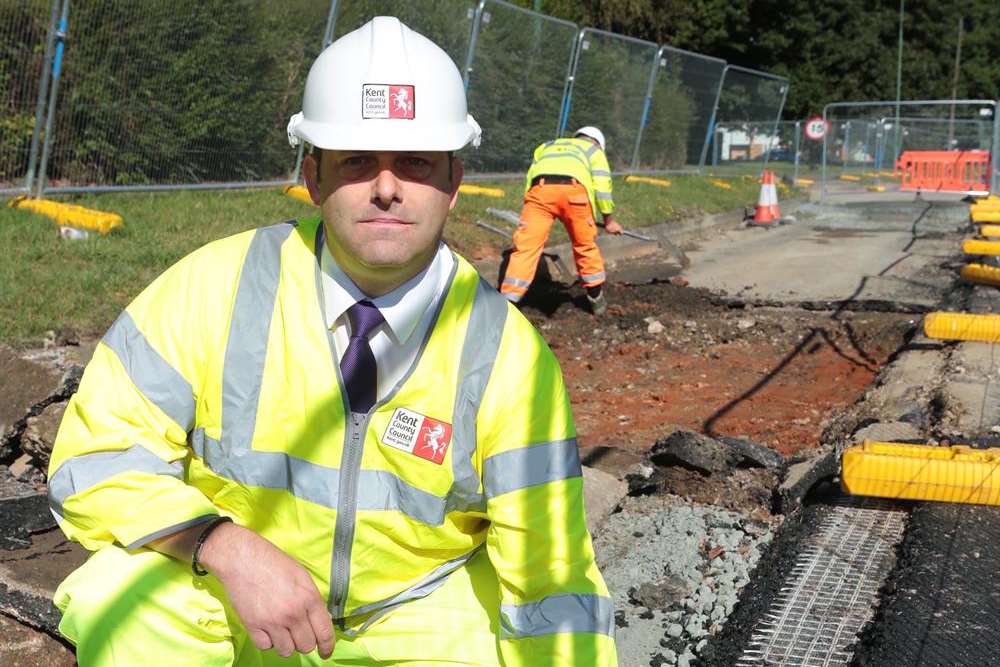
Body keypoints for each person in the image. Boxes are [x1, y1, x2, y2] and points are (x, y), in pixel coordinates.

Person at [47, 16, 616, 667]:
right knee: (119, 597)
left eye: (416, 162)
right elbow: (92, 460)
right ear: (312, 177)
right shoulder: (215, 287)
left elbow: (551, 579)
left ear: (454, 183)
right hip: (247, 606)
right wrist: (221, 543)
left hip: (419, 614)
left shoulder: (506, 356)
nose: (386, 186)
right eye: (355, 161)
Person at [499, 128, 624, 315]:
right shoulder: (593, 151)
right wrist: (609, 220)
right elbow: (602, 186)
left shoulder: (547, 146)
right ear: (598, 143)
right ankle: (597, 301)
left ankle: (506, 307)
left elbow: (531, 176)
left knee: (525, 248)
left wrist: (531, 205)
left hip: (539, 192)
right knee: (585, 245)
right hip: (574, 193)